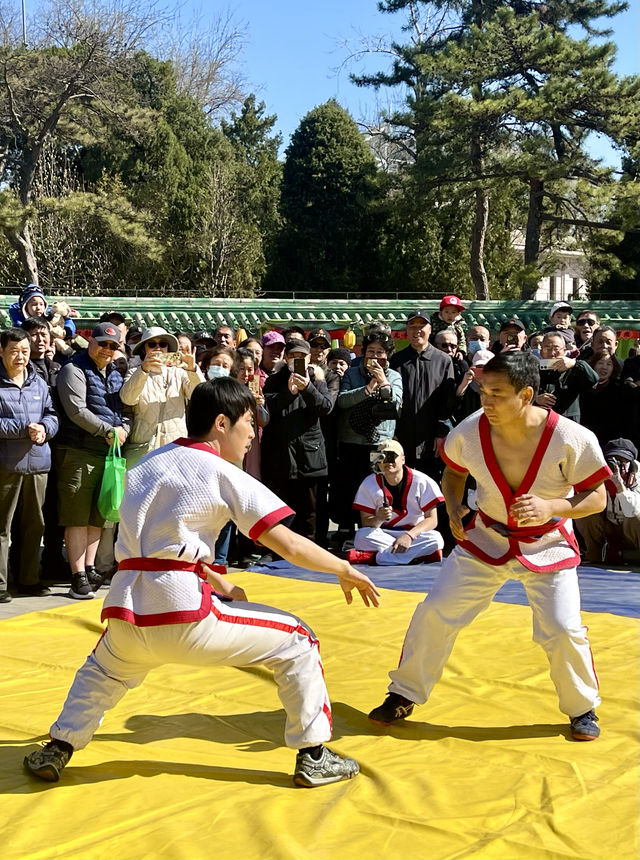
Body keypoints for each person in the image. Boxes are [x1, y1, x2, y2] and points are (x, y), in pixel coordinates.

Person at [22, 378, 380, 787]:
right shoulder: (219, 472)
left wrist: (218, 580)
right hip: (181, 611)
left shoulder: (147, 464)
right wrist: (343, 568)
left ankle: (59, 747)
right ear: (222, 423)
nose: (253, 433)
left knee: (102, 671)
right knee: (299, 640)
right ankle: (313, 754)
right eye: (249, 422)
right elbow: (290, 546)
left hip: (125, 609)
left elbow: (162, 543)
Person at [368, 351, 610, 742]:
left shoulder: (571, 437)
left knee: (563, 629)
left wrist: (552, 505)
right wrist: (452, 508)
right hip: (485, 537)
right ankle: (404, 692)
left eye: (498, 393)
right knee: (435, 612)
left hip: (547, 542)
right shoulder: (469, 430)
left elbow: (596, 497)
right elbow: (453, 473)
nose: (487, 401)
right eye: (483, 391)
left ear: (526, 394)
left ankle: (582, 708)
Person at [54, 322, 131, 599]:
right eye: (103, 344)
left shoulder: (114, 374)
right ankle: (77, 575)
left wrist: (124, 428)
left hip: (106, 453)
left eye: (113, 346)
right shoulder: (73, 369)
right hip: (77, 451)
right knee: (76, 515)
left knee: (98, 514)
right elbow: (77, 411)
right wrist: (108, 431)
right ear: (91, 342)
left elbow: (124, 409)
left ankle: (89, 568)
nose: (107, 350)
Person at [0, 328, 59, 601]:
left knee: (34, 524)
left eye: (24, 351)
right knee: (2, 528)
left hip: (37, 463)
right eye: (14, 351)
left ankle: (28, 579)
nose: (21, 356)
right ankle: (1, 585)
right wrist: (24, 429)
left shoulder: (38, 382)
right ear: (1, 351)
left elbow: (52, 414)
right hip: (5, 464)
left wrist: (45, 428)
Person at [261, 339, 332, 546]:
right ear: (286, 357)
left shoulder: (317, 380)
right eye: (293, 356)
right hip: (280, 455)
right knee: (280, 507)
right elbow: (268, 407)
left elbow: (326, 407)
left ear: (309, 358)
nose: (297, 361)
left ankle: (310, 549)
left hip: (309, 455)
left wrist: (307, 388)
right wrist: (288, 393)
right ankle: (280, 550)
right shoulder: (275, 380)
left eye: (301, 357)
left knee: (310, 509)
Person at [335, 332, 402, 541]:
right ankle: (346, 529)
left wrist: (383, 382)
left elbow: (396, 405)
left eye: (380, 352)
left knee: (377, 485)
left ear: (387, 355)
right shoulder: (352, 374)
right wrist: (366, 390)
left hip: (379, 443)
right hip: (351, 440)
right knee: (349, 485)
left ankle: (374, 528)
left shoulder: (394, 376)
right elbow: (342, 401)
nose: (374, 356)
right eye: (370, 351)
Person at [348, 439, 444, 566]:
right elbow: (366, 522)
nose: (388, 462)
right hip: (384, 534)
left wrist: (409, 536)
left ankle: (376, 558)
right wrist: (379, 518)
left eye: (392, 456)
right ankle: (414, 556)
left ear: (403, 459)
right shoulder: (368, 483)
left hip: (414, 534)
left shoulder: (422, 481)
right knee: (361, 536)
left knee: (435, 538)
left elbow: (432, 520)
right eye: (383, 457)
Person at [119, 327, 205, 465]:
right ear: (144, 349)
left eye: (162, 344)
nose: (158, 348)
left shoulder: (180, 372)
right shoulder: (134, 373)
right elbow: (127, 399)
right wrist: (143, 370)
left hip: (175, 448)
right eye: (152, 344)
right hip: (143, 448)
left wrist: (192, 369)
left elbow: (200, 396)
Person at [390, 310, 455, 481]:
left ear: (430, 329)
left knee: (430, 488)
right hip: (402, 437)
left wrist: (441, 433)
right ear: (406, 330)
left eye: (421, 326)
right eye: (412, 326)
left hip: (431, 439)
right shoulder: (397, 360)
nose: (417, 330)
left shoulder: (443, 360)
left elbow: (447, 401)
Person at [575, 438, 640, 565]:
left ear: (631, 463)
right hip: (608, 525)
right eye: (613, 460)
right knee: (585, 513)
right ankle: (595, 556)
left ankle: (633, 556)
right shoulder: (597, 473)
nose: (617, 466)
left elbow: (632, 510)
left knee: (637, 515)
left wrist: (620, 487)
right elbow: (583, 501)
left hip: (631, 530)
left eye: (623, 461)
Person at [534, 332, 598, 421]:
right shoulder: (533, 371)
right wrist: (536, 400)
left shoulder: (575, 369)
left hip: (569, 423)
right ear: (541, 352)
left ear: (564, 351)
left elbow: (594, 380)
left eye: (556, 348)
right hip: (541, 423)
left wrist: (575, 363)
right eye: (547, 348)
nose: (552, 353)